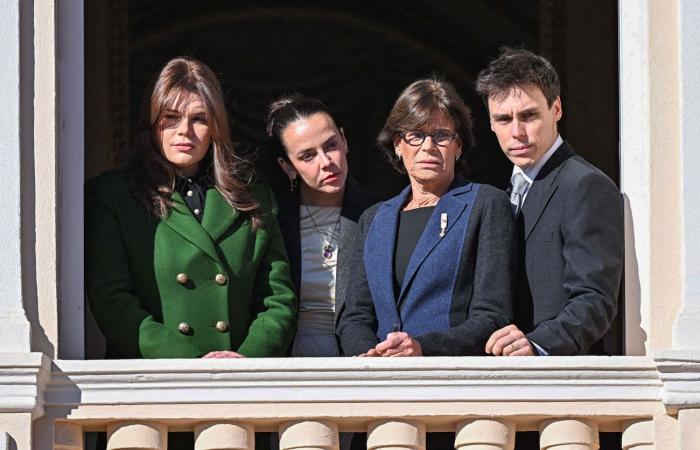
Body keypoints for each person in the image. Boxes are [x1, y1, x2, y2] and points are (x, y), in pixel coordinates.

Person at [85, 56, 297, 362]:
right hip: (155, 383)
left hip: (239, 384)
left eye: (199, 118)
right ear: (152, 122)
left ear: (216, 127)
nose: (185, 130)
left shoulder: (255, 198)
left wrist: (246, 363)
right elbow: (113, 302)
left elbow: (278, 300)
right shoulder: (112, 196)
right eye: (170, 117)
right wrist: (188, 365)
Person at [338, 78, 516, 359]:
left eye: (442, 135)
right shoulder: (374, 219)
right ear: (398, 144)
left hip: (451, 380)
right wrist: (368, 354)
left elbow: (493, 315)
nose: (428, 146)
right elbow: (355, 316)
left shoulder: (486, 204)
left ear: (458, 146)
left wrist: (423, 348)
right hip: (379, 382)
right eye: (416, 135)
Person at [478, 48, 624, 357]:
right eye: (503, 119)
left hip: (561, 379)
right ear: (490, 123)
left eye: (529, 115)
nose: (516, 132)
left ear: (555, 109)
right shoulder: (499, 193)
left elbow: (595, 299)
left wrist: (537, 344)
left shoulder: (585, 185)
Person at [266, 94, 382, 358]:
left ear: (344, 140)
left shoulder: (379, 213)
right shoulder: (273, 218)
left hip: (361, 354)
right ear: (287, 167)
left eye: (330, 145)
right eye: (307, 156)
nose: (326, 161)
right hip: (283, 360)